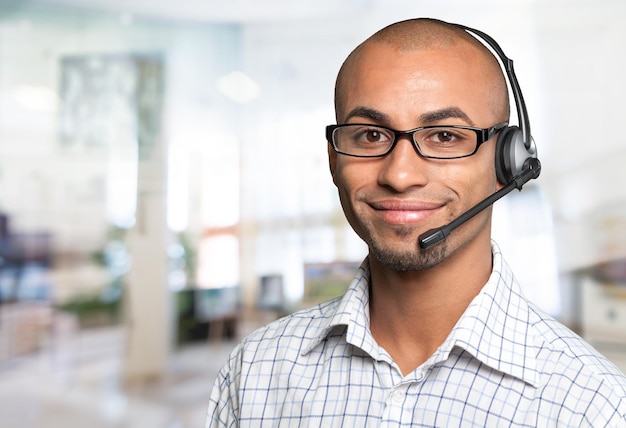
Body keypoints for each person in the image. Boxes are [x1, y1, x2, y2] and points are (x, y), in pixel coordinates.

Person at [207, 18, 626, 426]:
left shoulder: (593, 407)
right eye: (370, 135)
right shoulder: (254, 373)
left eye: (444, 136)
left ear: (510, 161)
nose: (400, 175)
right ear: (335, 160)